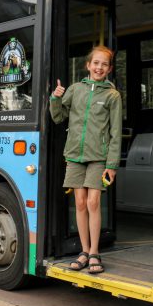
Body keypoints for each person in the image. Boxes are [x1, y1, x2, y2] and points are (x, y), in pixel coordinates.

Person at [49, 45, 122, 274]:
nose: (99, 67)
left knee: (93, 203)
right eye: (96, 63)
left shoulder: (112, 95)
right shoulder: (75, 89)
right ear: (88, 65)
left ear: (109, 69)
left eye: (104, 64)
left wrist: (112, 165)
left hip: (99, 157)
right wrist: (55, 98)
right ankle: (83, 250)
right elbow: (58, 117)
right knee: (80, 203)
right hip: (74, 155)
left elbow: (116, 133)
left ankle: (94, 252)